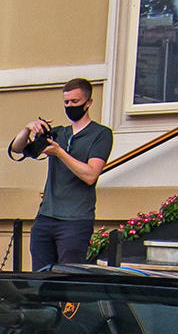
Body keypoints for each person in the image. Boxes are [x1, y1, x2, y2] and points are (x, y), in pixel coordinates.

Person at [12, 77, 113, 269]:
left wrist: (59, 152)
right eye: (66, 102)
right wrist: (28, 128)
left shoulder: (101, 134)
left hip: (75, 220)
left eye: (75, 102)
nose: (69, 106)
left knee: (68, 279)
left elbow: (91, 175)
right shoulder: (58, 132)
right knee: (41, 277)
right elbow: (17, 149)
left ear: (88, 102)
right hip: (46, 216)